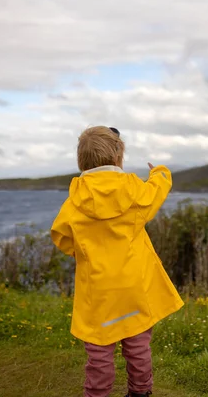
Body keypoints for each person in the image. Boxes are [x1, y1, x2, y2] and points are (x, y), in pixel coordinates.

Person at [50, 126, 184, 397]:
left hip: (98, 291)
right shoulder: (133, 190)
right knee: (138, 346)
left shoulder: (75, 201)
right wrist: (159, 172)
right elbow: (156, 191)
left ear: (81, 160)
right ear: (118, 156)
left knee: (99, 351)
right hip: (134, 286)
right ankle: (140, 392)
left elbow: (61, 235)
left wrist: (83, 252)